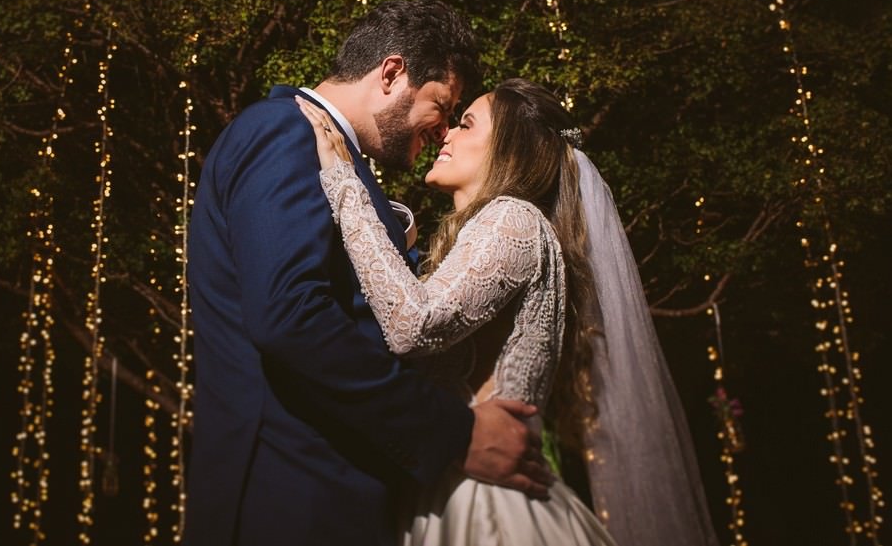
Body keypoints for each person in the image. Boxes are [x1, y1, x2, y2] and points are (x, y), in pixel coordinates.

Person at [184, 0, 554, 546]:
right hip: (291, 496)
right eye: (442, 106)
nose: (443, 130)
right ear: (391, 74)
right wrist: (454, 432)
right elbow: (291, 316)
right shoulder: (285, 131)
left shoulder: (334, 159)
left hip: (331, 497)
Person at [297, 79, 721, 545]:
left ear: (509, 148)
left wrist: (345, 183)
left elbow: (411, 325)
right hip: (452, 487)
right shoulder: (498, 231)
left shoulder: (513, 219)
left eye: (466, 124)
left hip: (487, 506)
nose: (445, 134)